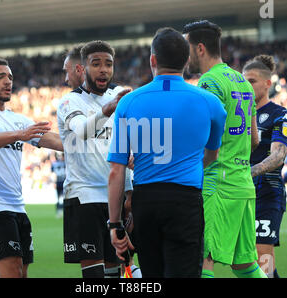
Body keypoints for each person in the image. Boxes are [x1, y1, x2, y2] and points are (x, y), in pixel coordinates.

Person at [107, 27, 227, 278]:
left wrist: (115, 225)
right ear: (186, 61)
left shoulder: (129, 102)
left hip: (145, 202)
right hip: (185, 201)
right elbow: (212, 156)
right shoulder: (210, 103)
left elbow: (116, 170)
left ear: (153, 60)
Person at [0, 58, 63, 278]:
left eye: (10, 77)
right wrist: (19, 135)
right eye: (0, 77)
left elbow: (56, 141)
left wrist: (100, 142)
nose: (8, 82)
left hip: (17, 208)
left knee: (22, 274)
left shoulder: (17, 119)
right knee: (12, 273)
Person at [183, 20, 266, 278]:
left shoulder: (208, 82)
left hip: (218, 184)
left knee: (203, 258)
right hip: (243, 184)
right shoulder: (242, 82)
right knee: (245, 266)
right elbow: (254, 140)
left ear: (199, 48)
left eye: (186, 48)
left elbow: (204, 135)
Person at [57, 40, 133, 278]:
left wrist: (130, 191)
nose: (103, 70)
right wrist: (108, 109)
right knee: (94, 277)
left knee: (116, 272)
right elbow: (82, 131)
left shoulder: (121, 97)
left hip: (116, 198)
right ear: (83, 68)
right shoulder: (71, 101)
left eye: (108, 64)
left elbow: (133, 141)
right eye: (96, 64)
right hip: (85, 196)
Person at [244, 54, 287, 278]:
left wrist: (250, 171)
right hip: (238, 193)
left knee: (262, 258)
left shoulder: (279, 115)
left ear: (267, 83)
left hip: (266, 193)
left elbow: (278, 155)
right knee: (244, 261)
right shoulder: (238, 115)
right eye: (244, 81)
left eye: (252, 81)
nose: (247, 86)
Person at [50, 152, 66, 218]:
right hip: (58, 182)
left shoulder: (57, 163)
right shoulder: (56, 164)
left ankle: (62, 211)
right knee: (58, 198)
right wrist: (54, 182)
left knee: (63, 198)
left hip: (64, 182)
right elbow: (53, 174)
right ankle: (58, 211)